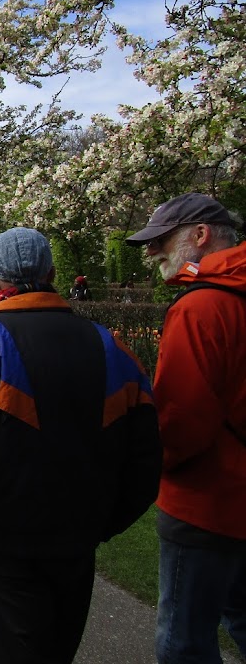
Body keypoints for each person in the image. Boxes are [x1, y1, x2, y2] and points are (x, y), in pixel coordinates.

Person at [0, 227, 161, 664]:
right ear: (51, 271)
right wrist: (103, 523)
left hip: (2, 544)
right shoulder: (112, 346)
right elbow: (145, 455)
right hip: (77, 538)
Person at [124, 192, 246, 664]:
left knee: (183, 640)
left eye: (162, 241)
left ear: (200, 235)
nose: (152, 253)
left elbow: (181, 424)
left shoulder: (201, 308)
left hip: (206, 502)